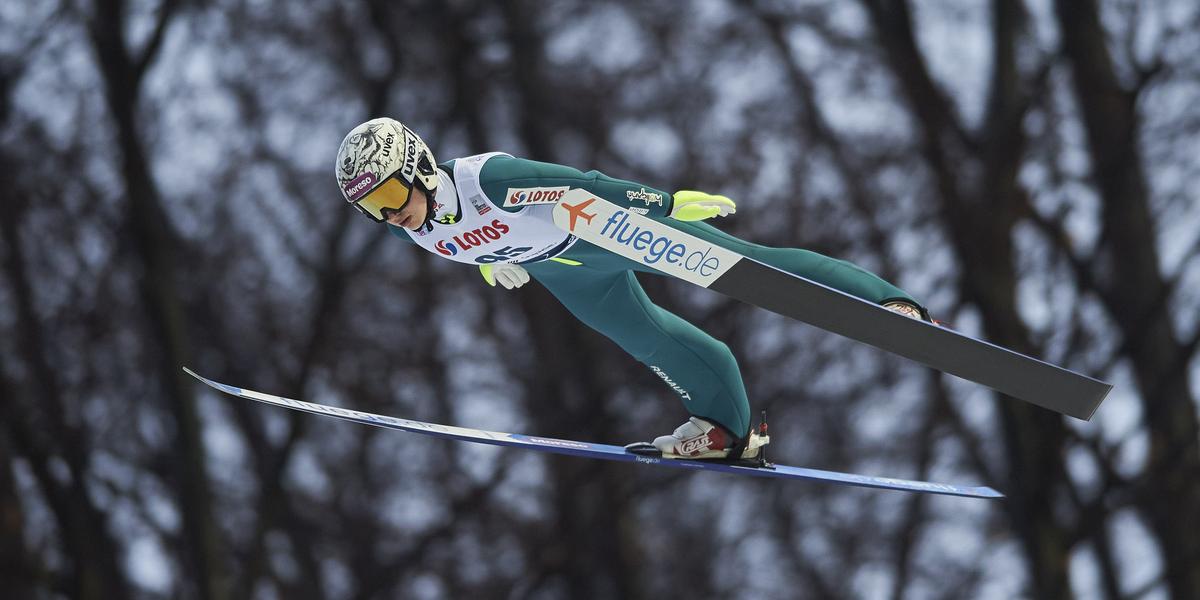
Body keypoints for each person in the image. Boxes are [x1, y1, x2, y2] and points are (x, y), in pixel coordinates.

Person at [334, 117, 930, 462]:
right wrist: (488, 262)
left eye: (389, 197)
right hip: (563, 273)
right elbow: (464, 239)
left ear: (417, 166)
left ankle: (885, 304)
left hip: (604, 231)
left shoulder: (488, 179)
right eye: (371, 211)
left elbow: (583, 185)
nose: (390, 217)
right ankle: (726, 430)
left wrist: (665, 203)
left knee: (750, 267)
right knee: (652, 342)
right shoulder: (421, 232)